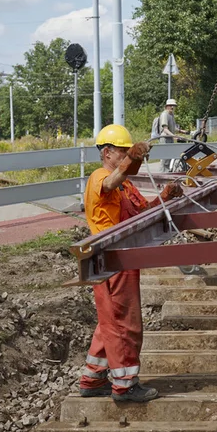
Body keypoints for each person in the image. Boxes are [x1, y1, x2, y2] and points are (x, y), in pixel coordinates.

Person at [79, 124, 183, 403]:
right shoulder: (100, 178)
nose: (126, 156)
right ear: (107, 152)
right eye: (123, 152)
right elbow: (112, 181)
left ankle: (92, 378)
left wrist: (165, 196)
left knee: (108, 322)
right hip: (111, 258)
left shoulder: (125, 184)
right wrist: (134, 158)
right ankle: (125, 385)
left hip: (122, 257)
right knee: (125, 323)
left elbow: (140, 213)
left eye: (129, 152)